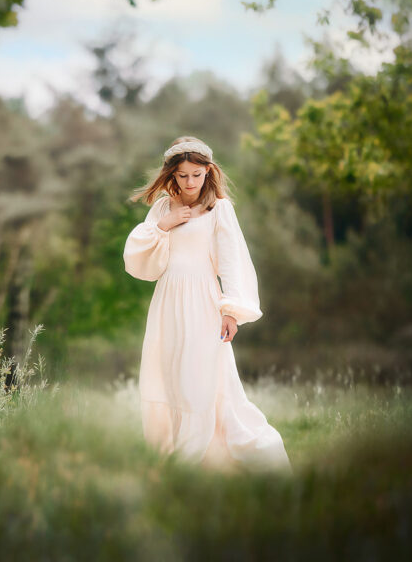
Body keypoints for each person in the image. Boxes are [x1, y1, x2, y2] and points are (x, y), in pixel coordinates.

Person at [123, 136, 292, 474]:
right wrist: (164, 225)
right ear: (172, 174)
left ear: (208, 172)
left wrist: (230, 310)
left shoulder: (219, 209)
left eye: (197, 175)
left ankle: (203, 456)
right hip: (168, 302)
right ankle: (179, 460)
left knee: (199, 380)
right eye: (183, 175)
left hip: (203, 303)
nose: (190, 182)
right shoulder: (162, 207)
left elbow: (232, 262)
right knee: (169, 378)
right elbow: (137, 256)